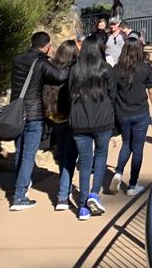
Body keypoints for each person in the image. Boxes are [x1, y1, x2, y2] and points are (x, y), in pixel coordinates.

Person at [9, 32, 69, 212]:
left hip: (17, 113)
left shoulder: (18, 59)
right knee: (29, 154)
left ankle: (19, 186)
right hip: (33, 114)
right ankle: (19, 196)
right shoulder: (41, 62)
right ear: (47, 45)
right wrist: (72, 65)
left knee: (20, 151)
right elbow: (59, 76)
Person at [69, 35, 116, 221]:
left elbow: (69, 94)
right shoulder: (105, 69)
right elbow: (112, 94)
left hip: (79, 121)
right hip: (103, 119)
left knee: (85, 162)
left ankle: (82, 206)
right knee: (101, 156)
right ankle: (94, 194)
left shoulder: (74, 70)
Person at [110, 38, 152, 196]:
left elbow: (112, 93)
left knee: (126, 143)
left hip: (122, 113)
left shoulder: (116, 69)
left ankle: (118, 172)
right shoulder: (145, 68)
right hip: (140, 113)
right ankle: (132, 185)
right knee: (137, 148)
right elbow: (151, 91)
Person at [42, 39, 79, 212]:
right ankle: (63, 196)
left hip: (54, 117)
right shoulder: (73, 71)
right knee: (69, 157)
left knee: (63, 155)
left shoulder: (51, 69)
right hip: (69, 119)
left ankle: (66, 186)